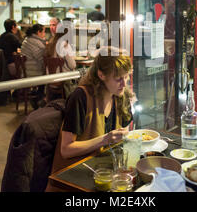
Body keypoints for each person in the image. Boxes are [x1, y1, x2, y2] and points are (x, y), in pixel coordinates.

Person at [48, 47, 135, 182]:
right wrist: (105, 139)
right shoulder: (81, 97)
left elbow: (126, 132)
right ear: (101, 75)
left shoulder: (120, 96)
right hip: (78, 174)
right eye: (118, 78)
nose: (124, 84)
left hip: (106, 172)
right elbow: (66, 150)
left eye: (126, 76)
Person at [45, 26, 76, 98]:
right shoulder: (65, 45)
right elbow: (73, 65)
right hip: (61, 79)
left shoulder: (50, 44)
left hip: (49, 79)